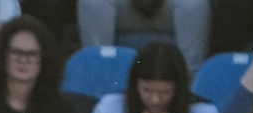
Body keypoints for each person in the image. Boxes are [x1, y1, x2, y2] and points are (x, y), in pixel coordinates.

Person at [84, 38, 218, 113]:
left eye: (165, 92)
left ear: (179, 89)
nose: (155, 100)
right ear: (134, 85)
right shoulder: (108, 109)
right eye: (147, 90)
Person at [81, 0, 209, 74]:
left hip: (168, 11)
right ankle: (98, 77)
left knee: (193, 3)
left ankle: (190, 79)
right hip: (124, 13)